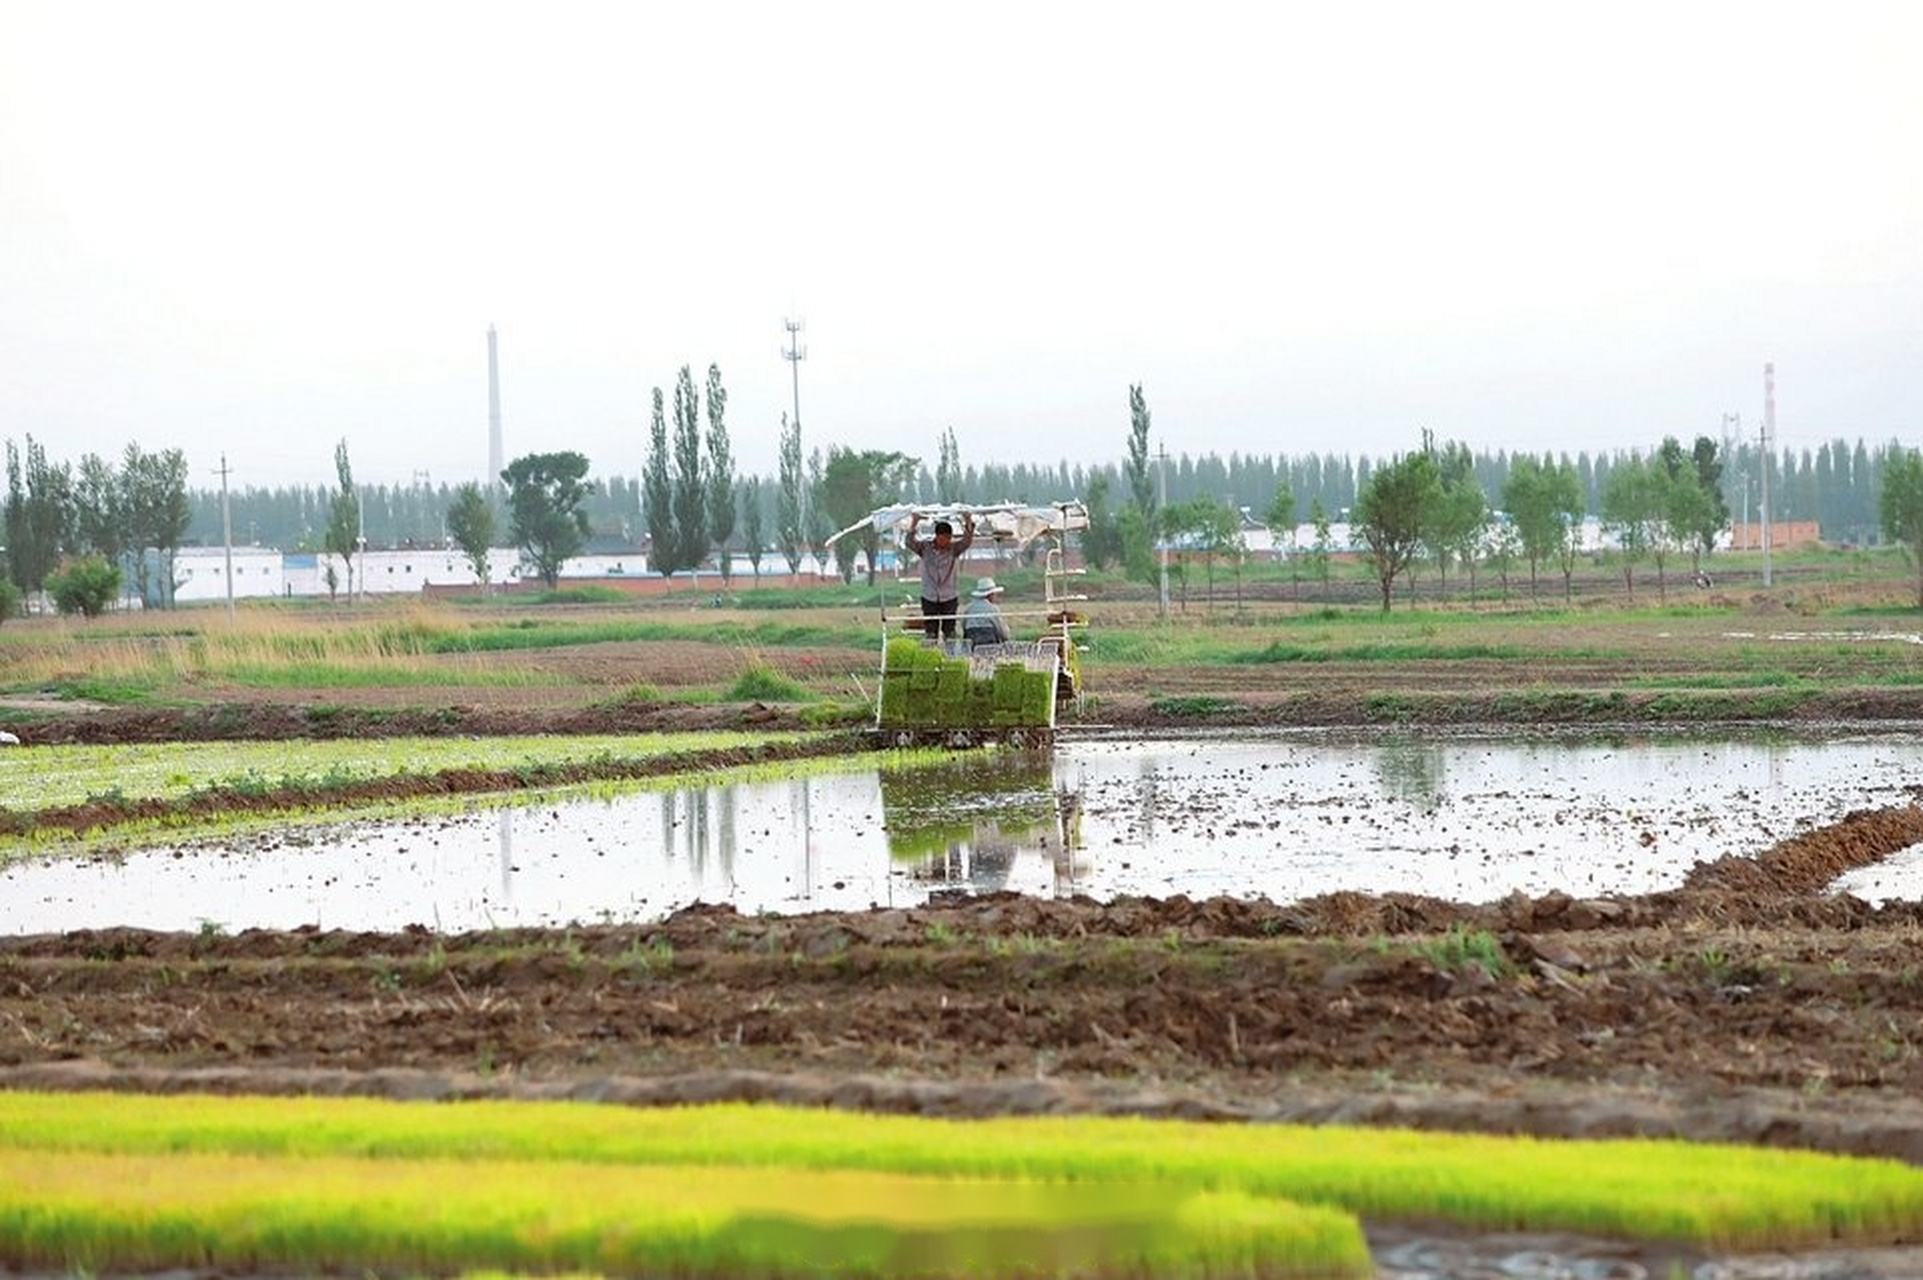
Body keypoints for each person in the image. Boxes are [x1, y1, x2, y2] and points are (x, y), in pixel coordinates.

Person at [906, 511, 974, 639]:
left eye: (948, 538)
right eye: (942, 539)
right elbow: (909, 542)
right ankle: (931, 650)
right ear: (936, 536)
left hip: (949, 596)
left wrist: (968, 520)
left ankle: (950, 651)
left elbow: (967, 541)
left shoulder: (954, 549)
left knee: (950, 632)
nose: (945, 542)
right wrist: (914, 522)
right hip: (929, 596)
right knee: (931, 632)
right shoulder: (924, 548)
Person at [962, 577, 1010, 648]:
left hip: (971, 644)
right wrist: (1006, 638)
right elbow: (1001, 630)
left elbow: (964, 625)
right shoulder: (992, 609)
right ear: (990, 595)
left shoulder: (968, 608)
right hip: (989, 644)